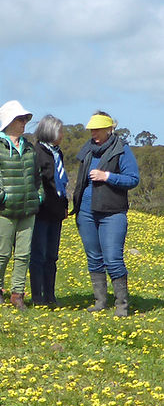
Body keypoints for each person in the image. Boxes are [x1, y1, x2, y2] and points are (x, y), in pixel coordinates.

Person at [71, 111, 140, 317]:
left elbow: (133, 179)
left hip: (112, 213)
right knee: (94, 257)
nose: (94, 133)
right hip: (86, 212)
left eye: (98, 129)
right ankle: (100, 301)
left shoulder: (122, 150)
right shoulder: (88, 150)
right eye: (92, 129)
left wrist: (107, 176)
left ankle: (122, 305)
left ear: (110, 129)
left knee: (113, 258)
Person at [0, 101, 41, 310]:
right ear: (10, 121)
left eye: (24, 119)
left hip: (27, 209)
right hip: (2, 211)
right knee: (3, 252)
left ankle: (18, 295)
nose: (24, 123)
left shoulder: (29, 148)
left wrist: (38, 196)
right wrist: (1, 196)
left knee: (23, 254)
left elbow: (37, 178)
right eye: (20, 119)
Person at [29, 115, 69, 308]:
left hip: (56, 212)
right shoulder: (37, 152)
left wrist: (64, 206)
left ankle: (50, 295)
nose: (62, 135)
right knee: (38, 255)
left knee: (52, 256)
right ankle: (37, 296)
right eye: (60, 131)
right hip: (40, 212)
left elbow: (60, 182)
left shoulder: (57, 153)